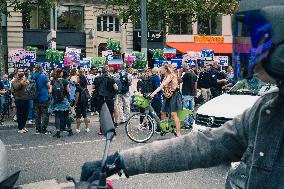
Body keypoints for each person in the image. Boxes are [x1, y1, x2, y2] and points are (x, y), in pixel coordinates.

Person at [80, 1, 284, 188]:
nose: (248, 50)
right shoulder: (266, 109)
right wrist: (122, 160)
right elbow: (202, 145)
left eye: (257, 41)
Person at [150, 64, 182, 136]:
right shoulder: (164, 77)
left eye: (161, 69)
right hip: (167, 95)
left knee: (173, 114)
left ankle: (178, 132)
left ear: (165, 70)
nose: (160, 70)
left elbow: (162, 85)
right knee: (163, 112)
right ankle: (165, 128)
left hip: (174, 95)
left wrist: (153, 93)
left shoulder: (171, 76)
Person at [93, 66, 118, 135]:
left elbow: (93, 87)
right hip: (109, 99)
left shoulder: (97, 78)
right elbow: (116, 88)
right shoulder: (111, 79)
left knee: (101, 115)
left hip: (100, 98)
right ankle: (112, 131)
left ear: (101, 72)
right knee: (110, 114)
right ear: (107, 72)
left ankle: (102, 130)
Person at [51, 69, 73, 138]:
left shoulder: (53, 81)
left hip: (57, 101)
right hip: (64, 100)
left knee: (57, 116)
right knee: (66, 116)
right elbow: (68, 91)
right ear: (61, 74)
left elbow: (50, 91)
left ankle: (58, 131)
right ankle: (69, 130)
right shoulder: (65, 81)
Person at [32, 65, 52, 135]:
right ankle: (44, 129)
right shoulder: (43, 76)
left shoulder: (33, 76)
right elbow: (48, 86)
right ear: (41, 69)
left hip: (35, 97)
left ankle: (37, 129)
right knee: (45, 114)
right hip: (43, 97)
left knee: (37, 115)